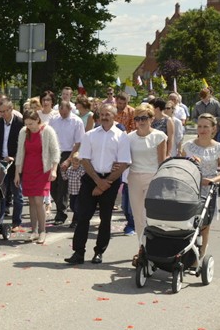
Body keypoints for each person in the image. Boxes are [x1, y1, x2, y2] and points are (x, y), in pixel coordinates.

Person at [65, 104, 131, 265]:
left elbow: (125, 163)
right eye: (101, 114)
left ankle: (99, 252)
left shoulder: (122, 136)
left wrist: (105, 183)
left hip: (111, 180)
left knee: (105, 218)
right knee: (83, 216)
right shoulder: (90, 135)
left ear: (115, 115)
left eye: (108, 114)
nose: (104, 117)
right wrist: (97, 182)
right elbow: (85, 159)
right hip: (91, 179)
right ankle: (78, 252)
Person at [180, 113, 220, 261]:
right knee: (186, 220)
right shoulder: (188, 146)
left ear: (213, 129)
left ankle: (201, 254)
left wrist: (213, 180)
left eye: (206, 127)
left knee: (204, 224)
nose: (202, 130)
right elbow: (181, 165)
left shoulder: (219, 148)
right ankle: (185, 249)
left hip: (208, 188)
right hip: (189, 187)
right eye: (200, 126)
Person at [14, 109, 60, 244]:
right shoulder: (23, 132)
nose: (30, 127)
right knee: (32, 202)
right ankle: (33, 231)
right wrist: (17, 173)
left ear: (38, 120)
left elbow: (55, 151)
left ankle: (42, 231)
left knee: (40, 201)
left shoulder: (47, 131)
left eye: (32, 124)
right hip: (28, 170)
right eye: (27, 124)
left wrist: (54, 170)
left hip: (43, 170)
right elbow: (20, 153)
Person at [126, 104, 167, 249]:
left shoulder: (159, 136)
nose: (141, 121)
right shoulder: (129, 137)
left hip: (152, 177)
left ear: (151, 118)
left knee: (147, 215)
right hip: (134, 178)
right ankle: (141, 247)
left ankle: (153, 247)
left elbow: (162, 161)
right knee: (137, 216)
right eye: (137, 118)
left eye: (144, 118)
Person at [0, 97, 25, 228]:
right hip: (0, 162)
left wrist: (14, 157)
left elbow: (24, 145)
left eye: (4, 111)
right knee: (0, 193)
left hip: (16, 163)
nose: (2, 114)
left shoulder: (20, 123)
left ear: (11, 109)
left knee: (17, 194)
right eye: (0, 111)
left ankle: (16, 222)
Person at [48, 100, 84, 226]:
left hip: (68, 152)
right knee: (53, 186)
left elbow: (78, 142)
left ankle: (61, 214)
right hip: (54, 152)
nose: (62, 115)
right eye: (61, 112)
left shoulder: (76, 121)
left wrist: (69, 159)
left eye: (65, 112)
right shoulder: (54, 119)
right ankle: (60, 207)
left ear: (70, 110)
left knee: (63, 186)